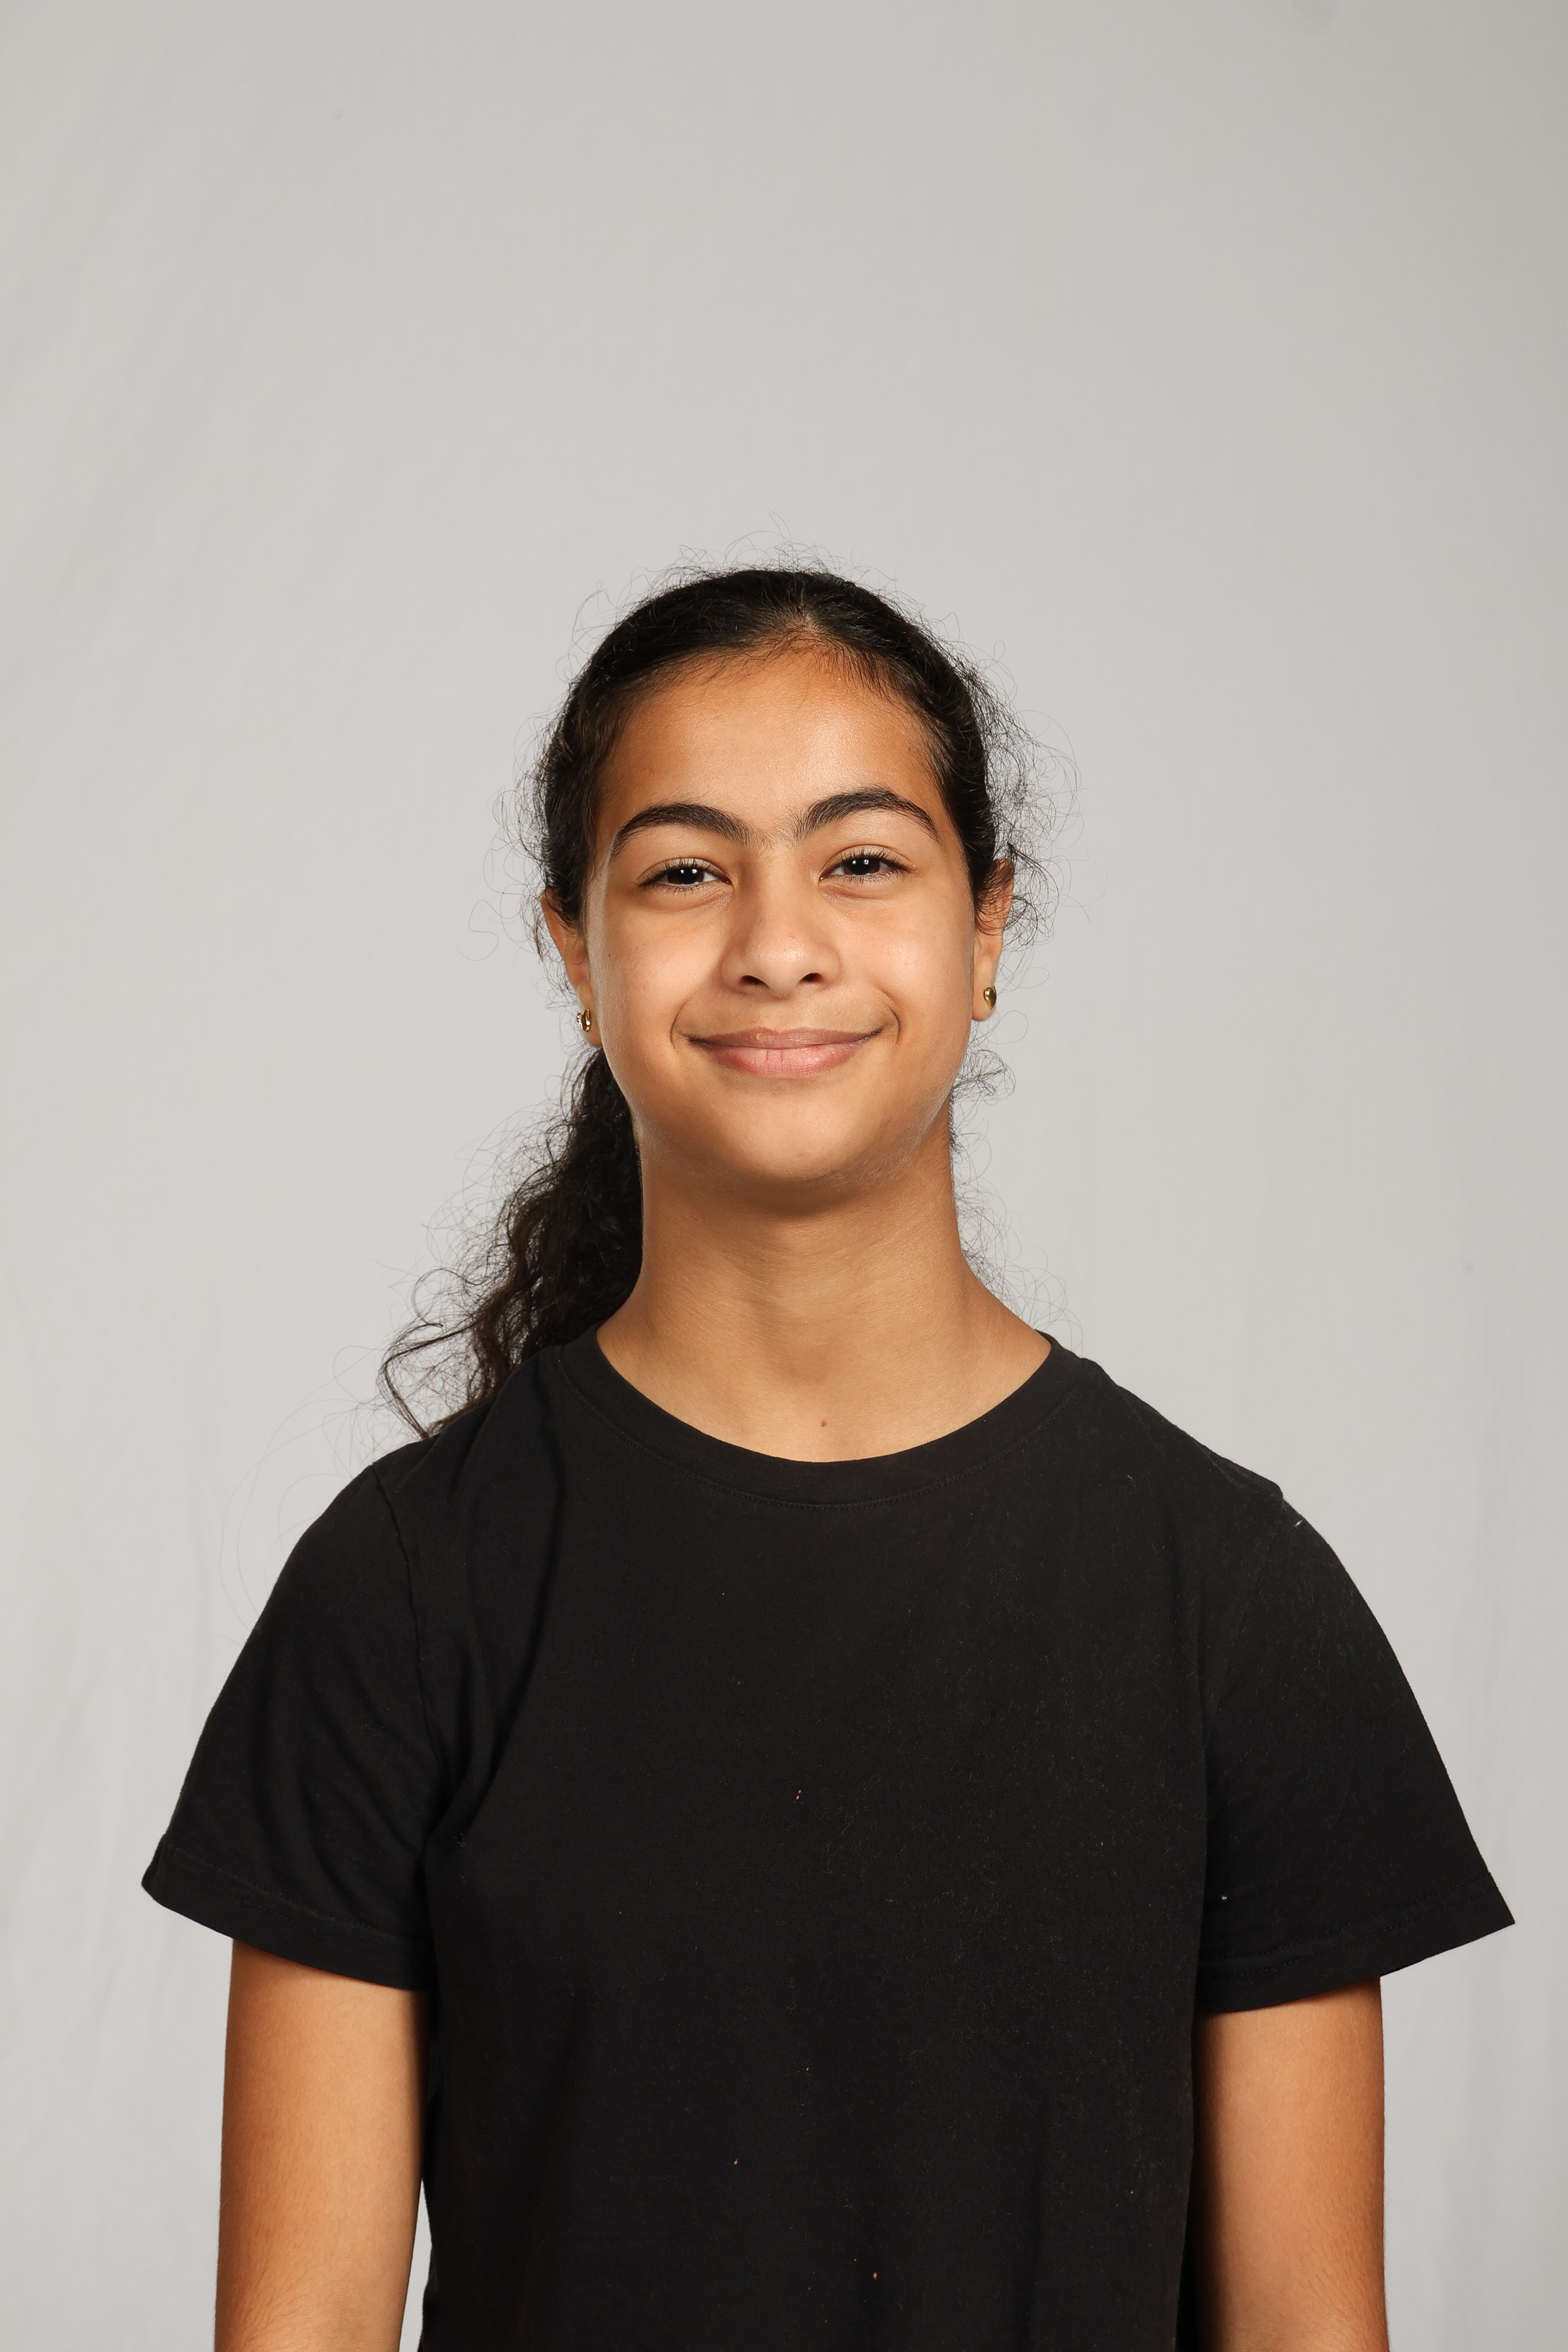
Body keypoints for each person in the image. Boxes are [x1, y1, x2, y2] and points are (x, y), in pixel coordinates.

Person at [145, 566, 1509, 2351]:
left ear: (988, 926)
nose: (777, 943)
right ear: (574, 951)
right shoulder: (405, 1594)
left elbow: (1312, 2328)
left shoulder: (1232, 1602)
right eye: (684, 871)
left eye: (862, 860)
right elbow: (298, 2329)